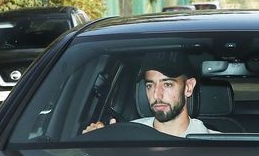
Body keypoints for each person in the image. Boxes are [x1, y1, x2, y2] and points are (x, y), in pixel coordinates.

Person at [83, 52, 218, 137]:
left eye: (167, 84)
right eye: (150, 85)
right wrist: (97, 142)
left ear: (188, 87)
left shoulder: (216, 146)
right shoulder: (128, 134)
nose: (157, 95)